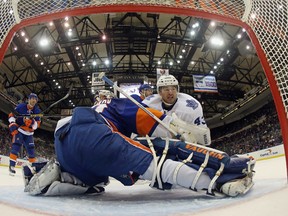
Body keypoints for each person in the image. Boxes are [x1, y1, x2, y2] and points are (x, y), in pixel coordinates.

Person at [23, 98, 255, 197]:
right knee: (157, 159)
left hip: (63, 142)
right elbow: (156, 123)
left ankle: (61, 176)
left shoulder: (96, 108)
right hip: (96, 134)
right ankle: (219, 183)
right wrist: (180, 131)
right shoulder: (116, 105)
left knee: (97, 180)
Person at [142, 75, 211, 146]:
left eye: (173, 89)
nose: (170, 92)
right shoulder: (149, 104)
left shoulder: (191, 107)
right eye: (166, 89)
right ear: (159, 92)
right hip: (156, 144)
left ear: (177, 90)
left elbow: (203, 137)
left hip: (182, 146)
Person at [8, 93, 41, 175]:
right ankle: (11, 166)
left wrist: (32, 122)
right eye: (32, 98)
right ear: (28, 99)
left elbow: (37, 125)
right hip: (20, 130)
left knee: (31, 150)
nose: (33, 100)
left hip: (29, 133)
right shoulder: (20, 107)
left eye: (35, 99)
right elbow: (12, 114)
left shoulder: (37, 111)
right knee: (16, 146)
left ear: (36, 101)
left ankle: (33, 168)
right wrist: (12, 123)